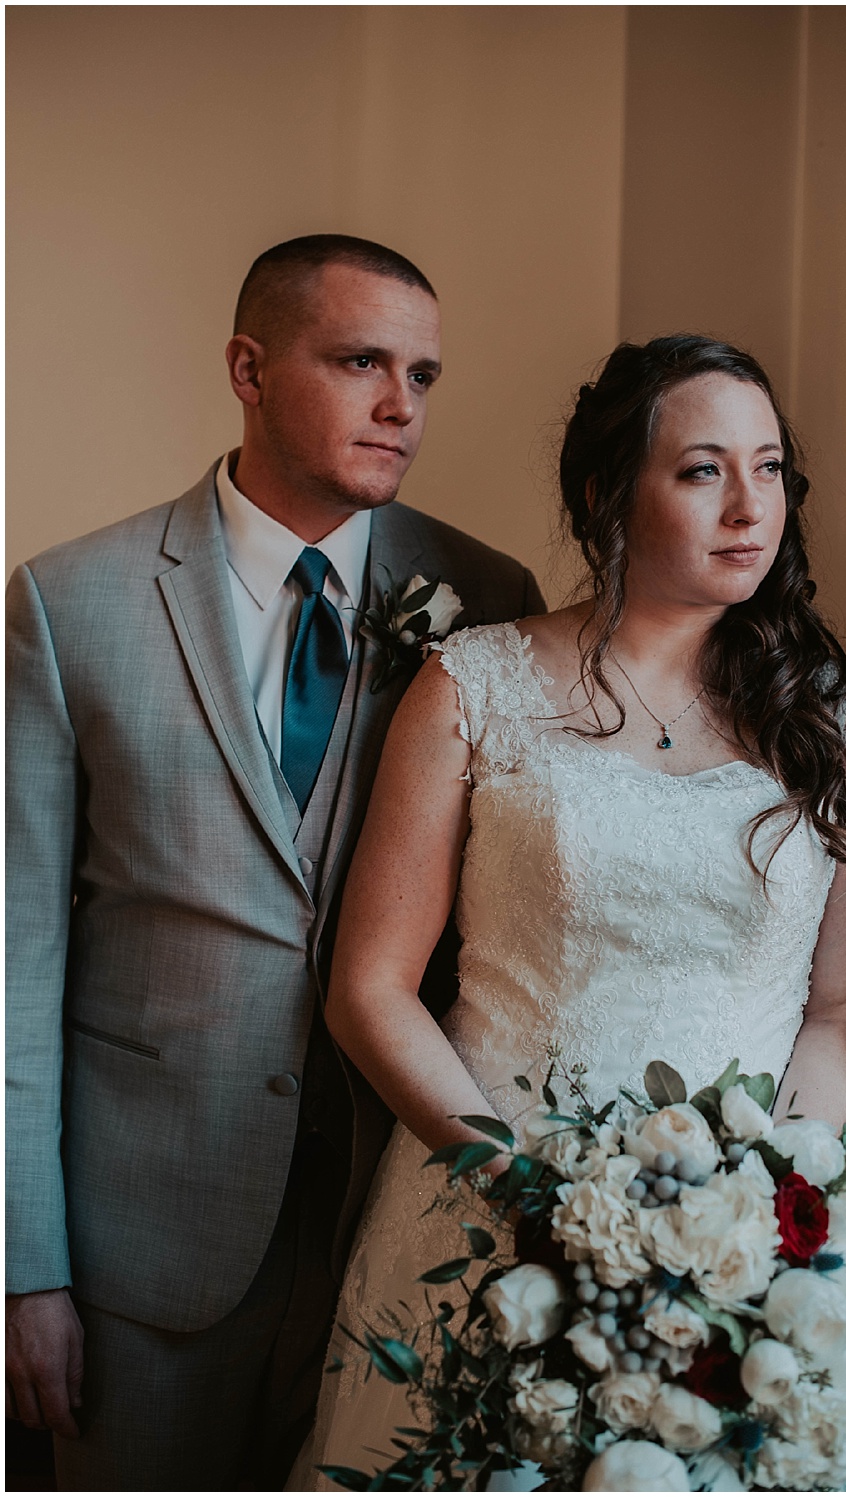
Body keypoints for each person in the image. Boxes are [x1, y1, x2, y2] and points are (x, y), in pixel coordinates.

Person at [289, 334, 846, 1484]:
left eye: (769, 470)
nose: (748, 507)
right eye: (703, 470)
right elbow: (369, 989)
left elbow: (835, 1010)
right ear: (608, 494)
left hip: (737, 1245)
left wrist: (780, 1215)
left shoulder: (827, 716)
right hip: (489, 1217)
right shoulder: (472, 685)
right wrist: (522, 1190)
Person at [5, 234, 545, 1489]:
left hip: (389, 1222)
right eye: (359, 361)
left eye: (421, 374)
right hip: (141, 1248)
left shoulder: (485, 594)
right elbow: (13, 960)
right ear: (248, 367)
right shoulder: (67, 605)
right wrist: (23, 1266)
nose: (398, 405)